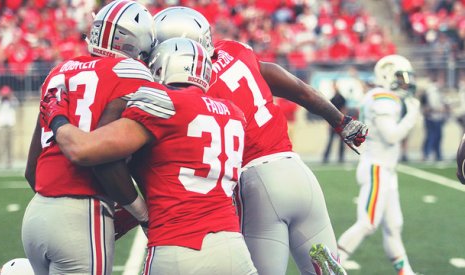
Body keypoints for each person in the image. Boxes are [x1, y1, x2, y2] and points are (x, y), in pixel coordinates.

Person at [152, 7, 367, 275]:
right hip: (298, 172)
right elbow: (301, 90)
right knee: (328, 271)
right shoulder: (236, 52)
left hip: (256, 183)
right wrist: (341, 121)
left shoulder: (190, 87)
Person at [40, 37, 258, 275]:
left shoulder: (162, 101)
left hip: (178, 247)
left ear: (162, 67)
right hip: (233, 247)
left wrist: (57, 116)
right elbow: (171, 166)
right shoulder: (233, 113)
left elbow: (84, 150)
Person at [22, 1, 155, 274]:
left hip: (36, 215)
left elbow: (31, 170)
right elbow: (103, 159)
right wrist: (142, 214)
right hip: (83, 211)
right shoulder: (135, 73)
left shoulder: (60, 72)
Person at [336, 54, 421, 274]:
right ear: (387, 75)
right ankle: (332, 266)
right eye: (401, 77)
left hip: (385, 169)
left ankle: (406, 272)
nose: (405, 83)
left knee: (394, 226)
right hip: (376, 167)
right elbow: (391, 135)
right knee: (368, 222)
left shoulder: (383, 96)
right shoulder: (383, 97)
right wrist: (411, 115)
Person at [420, 74, 449, 162]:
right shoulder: (432, 90)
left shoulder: (437, 90)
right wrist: (441, 109)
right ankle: (427, 154)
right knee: (431, 136)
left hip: (436, 118)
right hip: (432, 118)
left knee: (437, 137)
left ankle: (437, 155)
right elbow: (432, 107)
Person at [0, 85, 19, 169]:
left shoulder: (13, 100)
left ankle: (9, 161)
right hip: (1, 126)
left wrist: (10, 98)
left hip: (10, 125)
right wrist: (1, 99)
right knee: (1, 144)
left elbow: (16, 105)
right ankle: (0, 161)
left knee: (10, 144)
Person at [322, 80, 347, 163]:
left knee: (341, 142)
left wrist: (343, 122)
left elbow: (344, 110)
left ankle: (341, 158)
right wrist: (328, 123)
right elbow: (328, 112)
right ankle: (325, 158)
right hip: (333, 123)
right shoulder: (332, 99)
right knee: (330, 141)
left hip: (340, 123)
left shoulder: (341, 98)